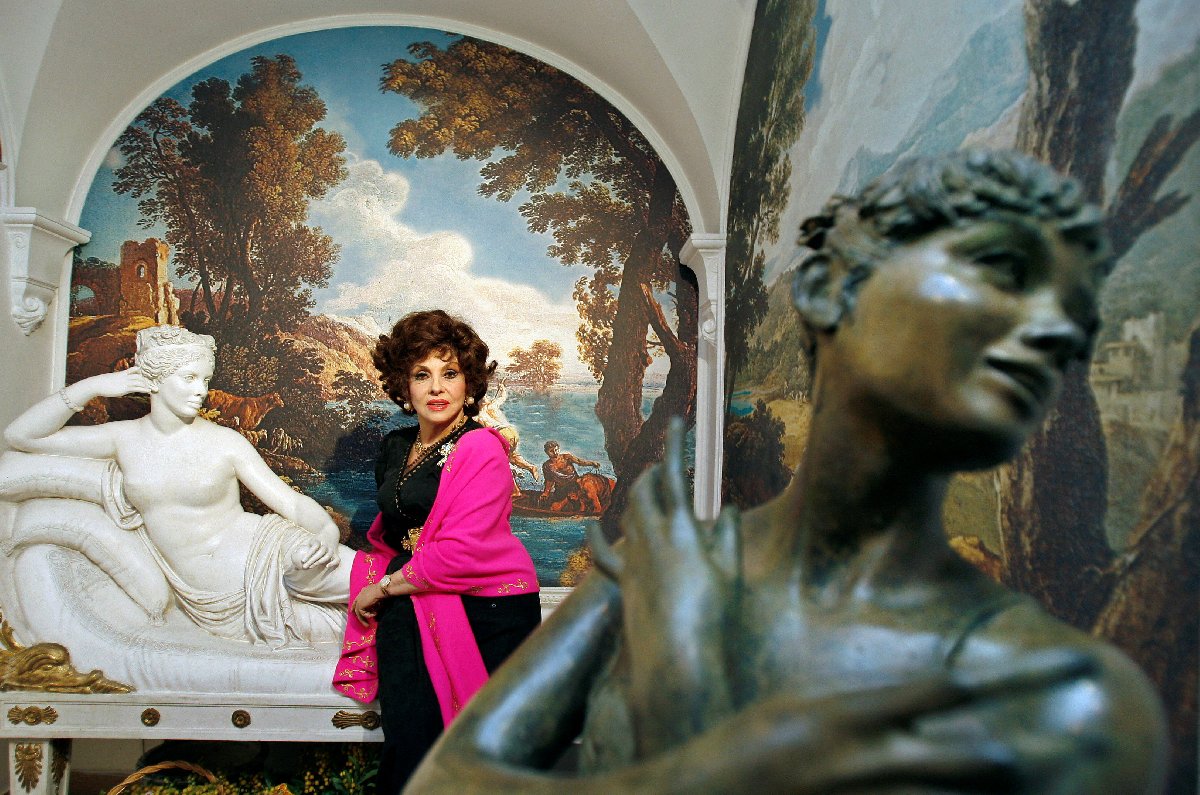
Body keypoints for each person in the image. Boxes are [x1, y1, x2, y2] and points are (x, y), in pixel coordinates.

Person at [404, 150, 1168, 793]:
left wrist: (706, 739)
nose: (1055, 331)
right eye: (1003, 269)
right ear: (831, 288)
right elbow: (443, 782)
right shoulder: (662, 567)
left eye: (1076, 319)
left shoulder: (1067, 697)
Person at [3, 325, 352, 647]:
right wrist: (93, 386)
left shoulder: (225, 442)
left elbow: (291, 503)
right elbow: (22, 436)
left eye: (205, 379)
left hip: (275, 549)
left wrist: (325, 531)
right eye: (189, 378)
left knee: (379, 586)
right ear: (155, 380)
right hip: (218, 594)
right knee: (363, 630)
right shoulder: (123, 439)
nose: (202, 390)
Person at [332, 309, 541, 792]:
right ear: (403, 385)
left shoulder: (482, 448)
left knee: (438, 746)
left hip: (487, 608)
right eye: (421, 375)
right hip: (416, 592)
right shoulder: (395, 446)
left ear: (470, 382)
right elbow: (396, 528)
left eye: (450, 373)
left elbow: (462, 553)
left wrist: (381, 588)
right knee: (409, 734)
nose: (436, 388)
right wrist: (383, 576)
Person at [539, 440, 600, 507]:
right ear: (546, 452)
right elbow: (549, 480)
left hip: (575, 485)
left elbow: (579, 462)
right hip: (561, 489)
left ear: (559, 449)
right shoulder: (546, 466)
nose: (555, 452)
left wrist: (592, 463)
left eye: (556, 450)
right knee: (554, 505)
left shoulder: (566, 457)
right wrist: (546, 493)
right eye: (551, 451)